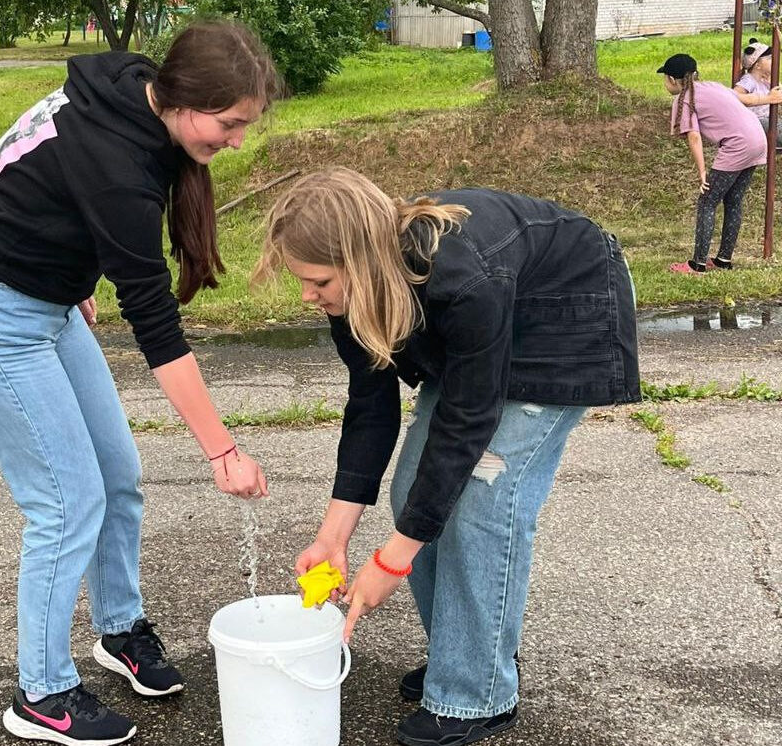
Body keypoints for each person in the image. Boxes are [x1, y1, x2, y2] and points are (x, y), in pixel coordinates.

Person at [0, 21, 279, 746]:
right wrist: (223, 450)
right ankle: (42, 694)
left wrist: (65, 264)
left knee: (117, 475)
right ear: (182, 100)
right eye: (230, 124)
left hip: (41, 297)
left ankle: (119, 628)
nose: (238, 141)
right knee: (65, 502)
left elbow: (40, 173)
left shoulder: (129, 85)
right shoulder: (119, 165)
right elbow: (156, 329)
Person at [254, 166, 640, 746]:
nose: (308, 295)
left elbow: (467, 422)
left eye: (319, 281)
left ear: (360, 261)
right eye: (302, 281)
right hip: (488, 329)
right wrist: (334, 536)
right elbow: (371, 407)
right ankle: (468, 654)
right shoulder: (354, 293)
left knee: (481, 500)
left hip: (565, 315)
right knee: (413, 487)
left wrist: (391, 563)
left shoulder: (465, 275)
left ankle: (476, 692)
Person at [658, 53, 766, 274]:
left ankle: (697, 264)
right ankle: (723, 260)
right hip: (757, 139)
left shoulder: (684, 99)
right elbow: (745, 100)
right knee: (733, 200)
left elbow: (694, 137)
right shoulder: (714, 86)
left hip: (737, 145)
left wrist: (702, 172)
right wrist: (771, 98)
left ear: (672, 79)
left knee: (707, 201)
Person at [733, 38, 782, 146]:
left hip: (769, 119)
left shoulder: (768, 81)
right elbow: (734, 95)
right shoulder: (749, 80)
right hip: (756, 121)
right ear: (757, 65)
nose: (775, 61)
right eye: (770, 58)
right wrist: (762, 99)